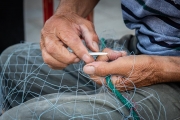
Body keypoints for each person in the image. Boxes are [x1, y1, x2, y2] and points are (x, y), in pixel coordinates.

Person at [0, 0, 180, 119]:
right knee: (10, 62)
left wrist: (159, 68)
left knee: (23, 117)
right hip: (142, 45)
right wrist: (67, 13)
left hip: (174, 71)